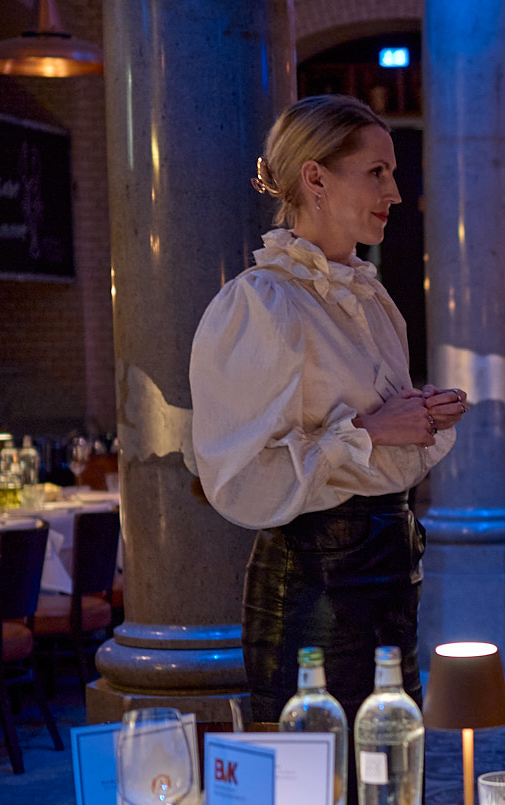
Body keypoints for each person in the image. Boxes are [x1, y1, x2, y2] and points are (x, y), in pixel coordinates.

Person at [191, 95, 469, 721]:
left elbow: (374, 431)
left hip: (392, 571)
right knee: (322, 771)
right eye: (377, 172)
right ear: (315, 177)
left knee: (394, 762)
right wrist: (370, 431)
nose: (394, 192)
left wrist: (417, 414)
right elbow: (239, 477)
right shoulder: (261, 303)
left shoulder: (369, 297)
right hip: (313, 585)